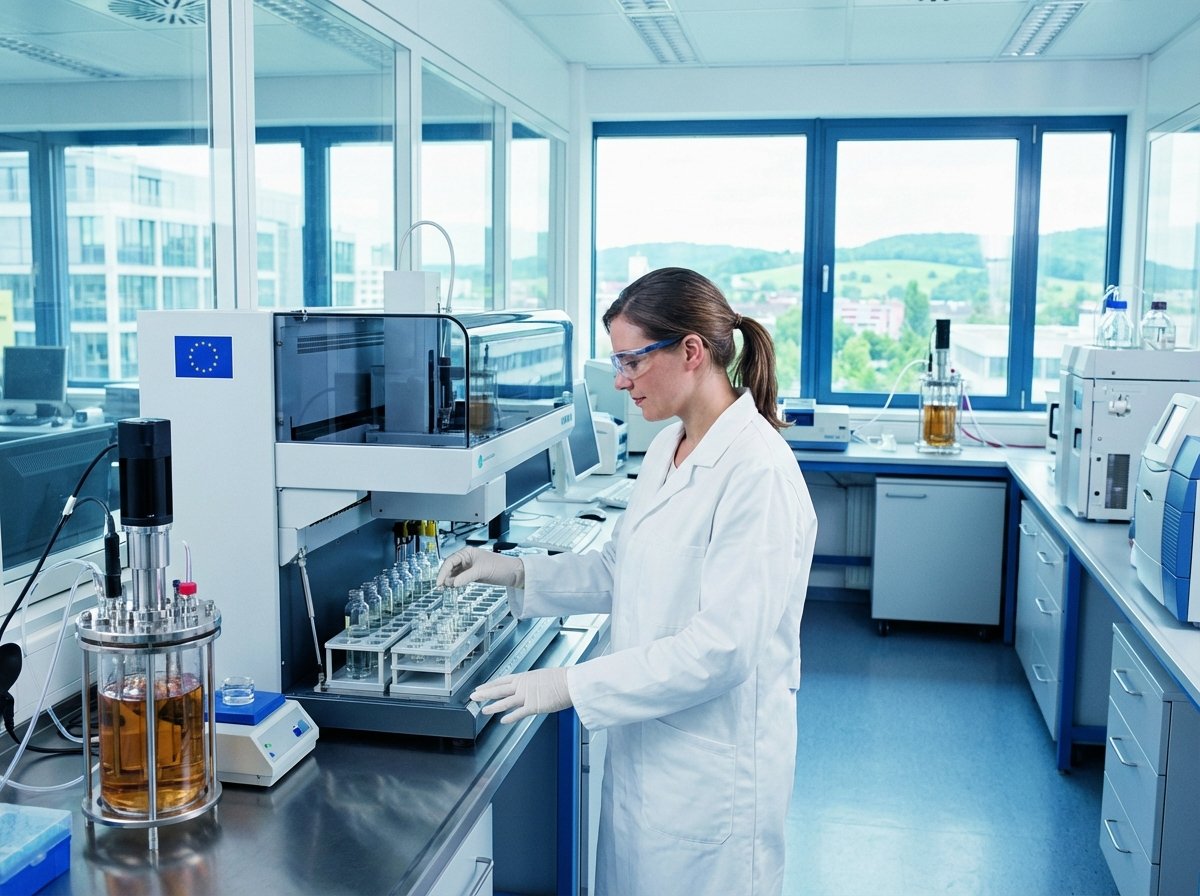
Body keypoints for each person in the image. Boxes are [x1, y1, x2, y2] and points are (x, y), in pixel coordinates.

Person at [438, 267, 817, 895]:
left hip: (711, 785)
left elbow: (723, 650)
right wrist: (518, 571)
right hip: (651, 759)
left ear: (691, 351)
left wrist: (570, 683)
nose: (620, 381)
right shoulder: (671, 445)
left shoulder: (758, 473)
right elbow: (623, 569)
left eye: (631, 362)